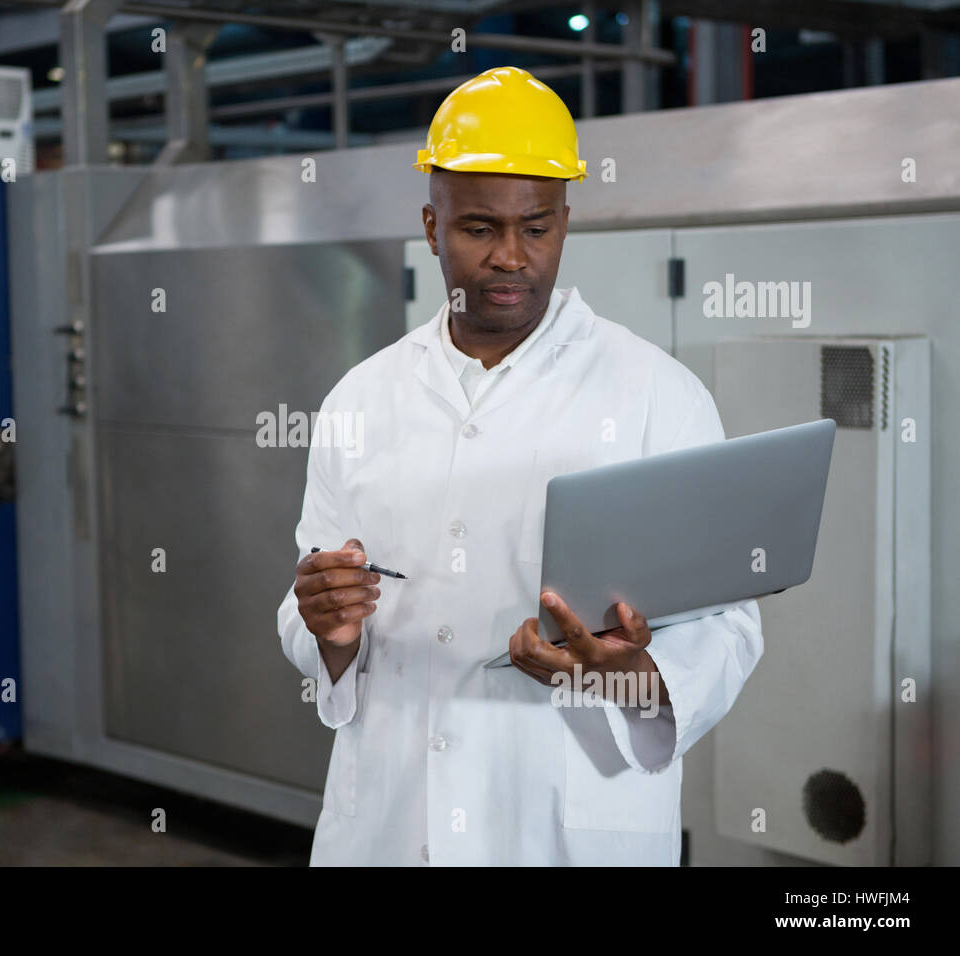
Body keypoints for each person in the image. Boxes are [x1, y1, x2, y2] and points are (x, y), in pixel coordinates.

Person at [275, 66, 764, 866]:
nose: (510, 258)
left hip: (568, 822)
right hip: (396, 823)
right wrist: (325, 628)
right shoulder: (360, 399)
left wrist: (631, 672)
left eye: (535, 228)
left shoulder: (657, 395)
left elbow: (729, 626)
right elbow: (315, 609)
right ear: (431, 227)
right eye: (478, 229)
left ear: (565, 223)